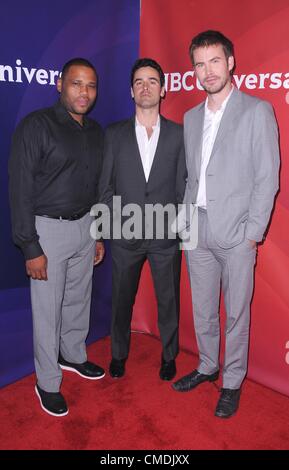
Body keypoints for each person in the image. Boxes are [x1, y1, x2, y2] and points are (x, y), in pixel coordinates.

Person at [172, 31, 280, 418]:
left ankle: (232, 381)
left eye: (214, 61)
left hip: (237, 235)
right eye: (199, 64)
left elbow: (268, 178)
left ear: (230, 62)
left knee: (236, 312)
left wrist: (252, 235)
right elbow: (192, 178)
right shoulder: (189, 117)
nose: (207, 71)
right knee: (203, 310)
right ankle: (207, 366)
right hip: (197, 229)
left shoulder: (256, 111)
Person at [9, 58, 105, 417]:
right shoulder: (36, 126)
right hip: (47, 231)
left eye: (91, 86)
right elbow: (20, 190)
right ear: (60, 84)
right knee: (48, 312)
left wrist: (96, 233)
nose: (85, 92)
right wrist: (30, 246)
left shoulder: (95, 131)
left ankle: (73, 356)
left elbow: (96, 187)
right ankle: (47, 382)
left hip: (85, 227)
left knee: (79, 299)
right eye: (77, 84)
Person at [98, 58, 187, 381]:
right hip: (125, 235)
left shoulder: (179, 134)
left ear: (163, 90)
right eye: (139, 82)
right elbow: (104, 187)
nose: (145, 87)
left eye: (152, 81)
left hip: (166, 236)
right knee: (121, 300)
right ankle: (118, 354)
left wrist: (180, 232)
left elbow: (183, 187)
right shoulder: (114, 134)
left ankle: (169, 356)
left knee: (169, 302)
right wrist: (108, 231)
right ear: (131, 91)